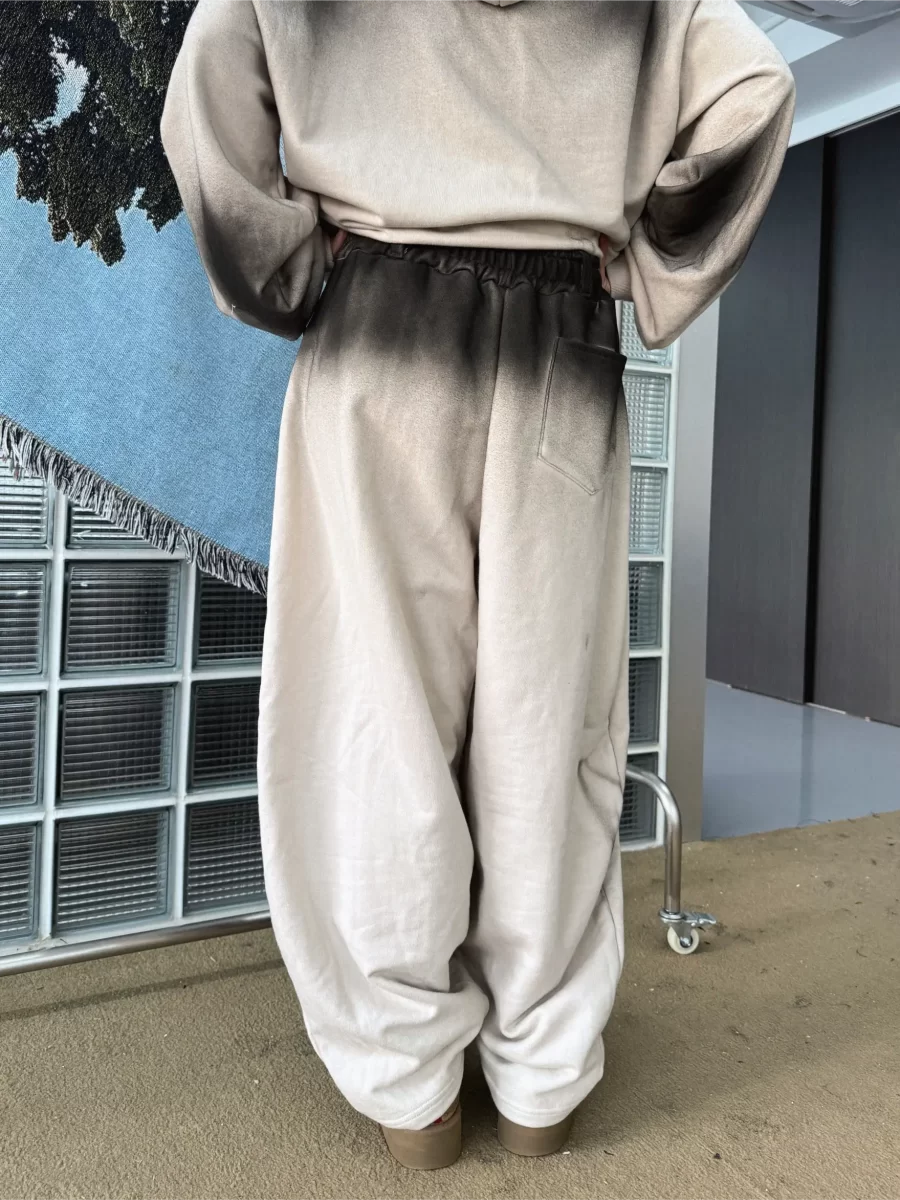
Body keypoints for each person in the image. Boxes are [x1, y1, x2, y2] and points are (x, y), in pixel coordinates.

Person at [161, 0, 795, 1171]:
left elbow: (209, 72)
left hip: (378, 331)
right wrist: (642, 257)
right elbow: (754, 90)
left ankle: (412, 1090)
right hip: (562, 337)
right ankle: (542, 1077)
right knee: (547, 726)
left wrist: (286, 267)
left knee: (373, 720)